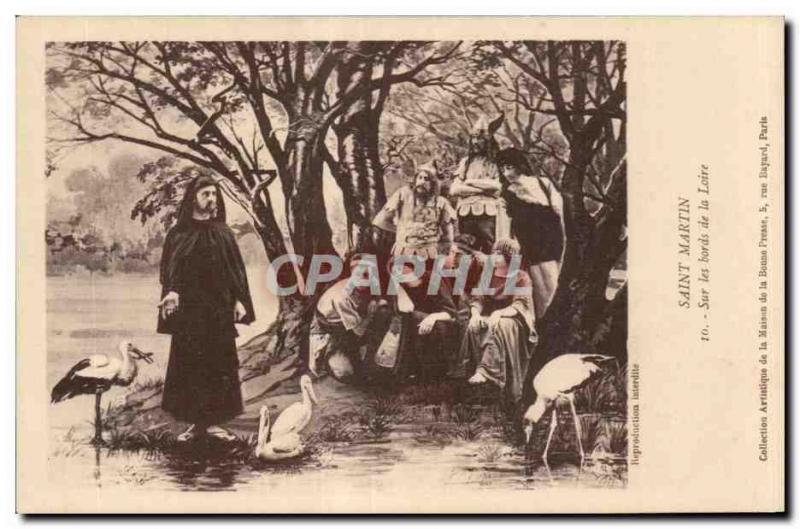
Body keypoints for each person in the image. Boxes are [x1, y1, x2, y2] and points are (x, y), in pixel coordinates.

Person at [157, 173, 255, 442]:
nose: (211, 199)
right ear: (193, 198)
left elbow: (236, 272)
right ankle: (194, 425)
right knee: (189, 365)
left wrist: (239, 300)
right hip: (190, 312)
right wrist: (172, 292)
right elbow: (169, 270)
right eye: (206, 194)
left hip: (218, 310)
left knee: (218, 365)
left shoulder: (223, 233)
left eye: (214, 194)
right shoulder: (178, 233)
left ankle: (214, 424)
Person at [453, 238, 536, 404]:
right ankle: (473, 386)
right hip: (489, 318)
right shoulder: (487, 275)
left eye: (499, 254)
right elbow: (478, 299)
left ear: (509, 258)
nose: (494, 257)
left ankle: (486, 371)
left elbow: (520, 305)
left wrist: (499, 314)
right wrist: (476, 315)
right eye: (494, 253)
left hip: (515, 321)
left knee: (500, 325)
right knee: (473, 327)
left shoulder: (521, 277)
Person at [496, 148, 565, 319]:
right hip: (530, 242)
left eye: (509, 167)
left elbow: (559, 210)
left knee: (556, 283)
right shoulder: (506, 194)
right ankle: (546, 327)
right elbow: (505, 225)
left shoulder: (543, 183)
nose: (506, 172)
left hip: (552, 238)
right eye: (503, 168)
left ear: (520, 165)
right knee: (541, 291)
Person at [308, 254, 384, 382]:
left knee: (383, 315)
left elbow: (377, 300)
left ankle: (371, 364)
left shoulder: (370, 283)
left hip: (351, 325)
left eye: (367, 275)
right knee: (345, 372)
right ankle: (331, 361)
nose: (363, 279)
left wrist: (376, 302)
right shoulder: (341, 296)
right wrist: (371, 314)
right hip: (330, 331)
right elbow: (358, 331)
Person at [448, 115, 510, 253]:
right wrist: (483, 189)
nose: (475, 141)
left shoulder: (497, 161)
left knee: (490, 250)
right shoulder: (465, 162)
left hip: (488, 213)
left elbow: (497, 186)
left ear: (488, 140)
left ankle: (489, 274)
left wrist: (469, 182)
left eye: (480, 138)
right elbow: (454, 189)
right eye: (473, 138)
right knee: (465, 251)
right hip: (465, 213)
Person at [391, 261, 458, 382]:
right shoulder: (402, 287)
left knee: (415, 318)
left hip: (441, 323)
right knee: (410, 317)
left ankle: (432, 372)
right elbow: (405, 308)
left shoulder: (433, 280)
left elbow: (451, 313)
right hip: (416, 323)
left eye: (405, 269)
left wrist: (431, 317)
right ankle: (411, 370)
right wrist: (399, 288)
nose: (401, 272)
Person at [373, 161, 456, 259]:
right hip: (404, 251)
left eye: (427, 179)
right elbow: (380, 221)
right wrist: (402, 230)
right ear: (415, 180)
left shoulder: (442, 202)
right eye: (420, 177)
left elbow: (448, 234)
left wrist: (445, 252)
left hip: (431, 253)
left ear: (433, 183)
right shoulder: (402, 195)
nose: (422, 182)